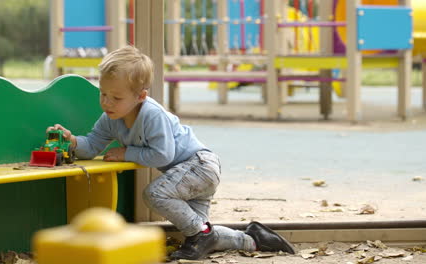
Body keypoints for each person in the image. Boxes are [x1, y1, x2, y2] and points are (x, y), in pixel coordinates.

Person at [47, 46, 296, 260]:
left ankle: (204, 235)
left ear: (140, 96)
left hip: (199, 166)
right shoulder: (110, 118)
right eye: (103, 94)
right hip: (186, 174)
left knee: (155, 194)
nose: (107, 103)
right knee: (199, 232)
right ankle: (254, 239)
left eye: (116, 97)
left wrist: (127, 153)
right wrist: (72, 142)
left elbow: (162, 156)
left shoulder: (151, 114)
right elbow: (91, 146)